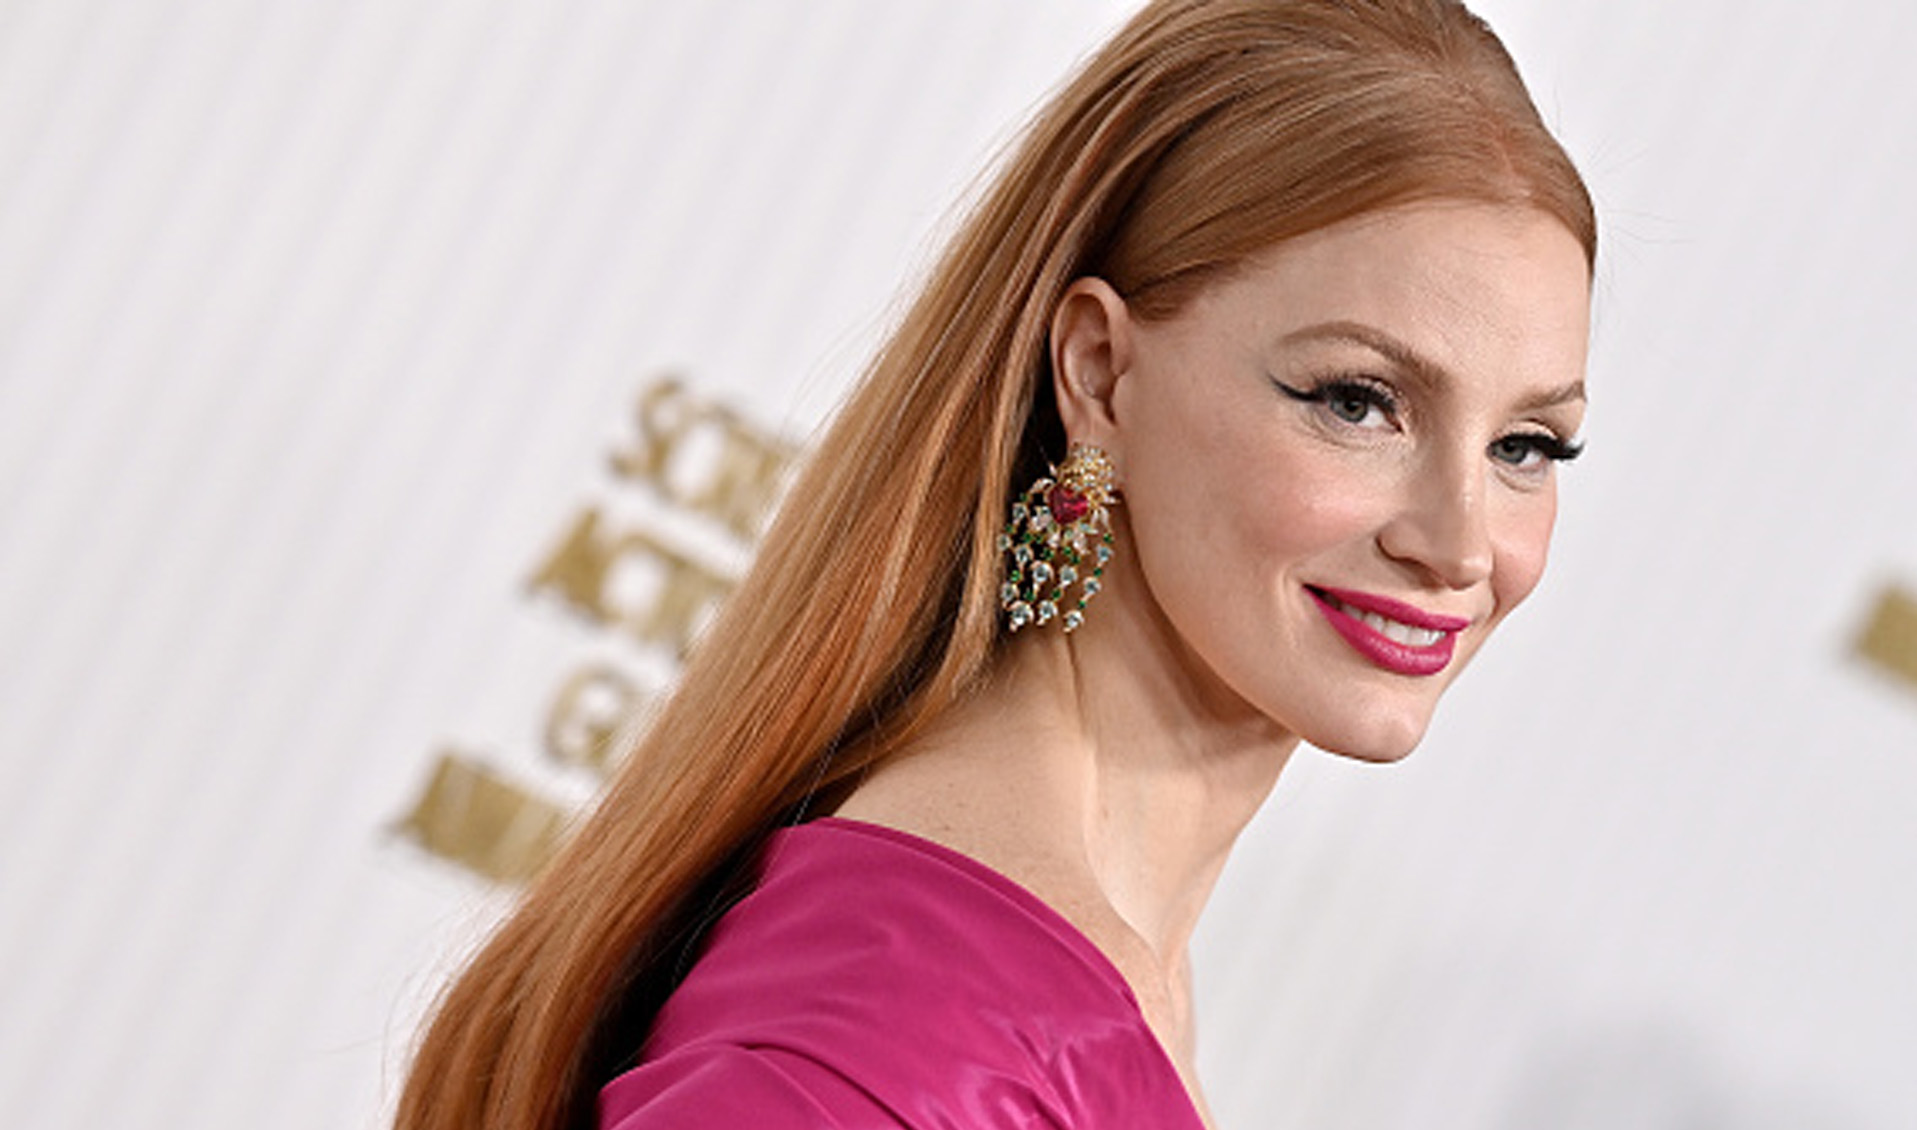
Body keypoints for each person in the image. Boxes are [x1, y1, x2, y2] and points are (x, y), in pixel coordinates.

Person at [394, 1, 1596, 1127]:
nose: (1456, 539)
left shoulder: (1075, 955)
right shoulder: (888, 1057)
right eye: (1357, 400)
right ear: (1096, 372)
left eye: (1524, 445)